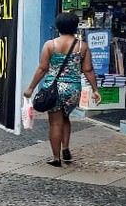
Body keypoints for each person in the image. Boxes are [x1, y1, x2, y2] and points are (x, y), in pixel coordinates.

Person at [24, 12, 101, 167]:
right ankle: (65, 148)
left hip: (54, 88)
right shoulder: (82, 46)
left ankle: (56, 158)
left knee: (55, 124)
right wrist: (95, 90)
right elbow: (88, 70)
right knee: (65, 117)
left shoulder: (50, 45)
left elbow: (42, 68)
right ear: (75, 26)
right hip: (73, 89)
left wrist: (31, 88)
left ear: (58, 26)